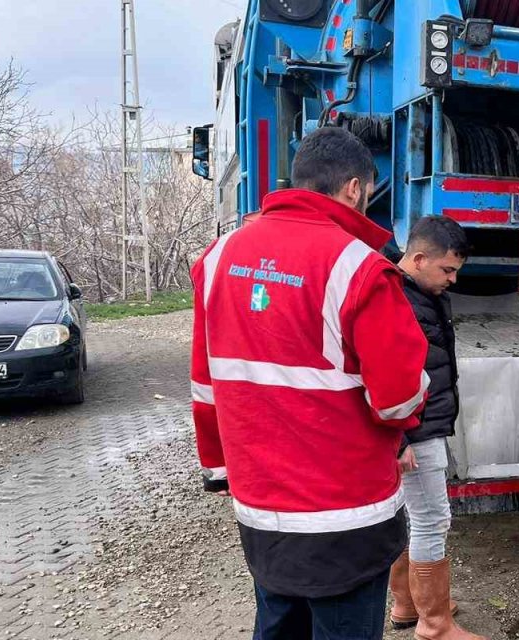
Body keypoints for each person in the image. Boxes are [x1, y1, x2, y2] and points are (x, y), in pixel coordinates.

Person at [190, 126, 429, 639]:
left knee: (277, 624)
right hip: (345, 519)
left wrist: (218, 468)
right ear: (354, 189)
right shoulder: (361, 269)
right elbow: (397, 400)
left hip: (261, 509)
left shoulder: (216, 259)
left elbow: (206, 384)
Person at [386, 216, 486, 640]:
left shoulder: (413, 291)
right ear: (419, 258)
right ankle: (435, 624)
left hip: (418, 424)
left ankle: (409, 604)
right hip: (416, 428)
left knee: (409, 515)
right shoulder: (397, 300)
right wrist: (401, 438)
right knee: (431, 518)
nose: (453, 279)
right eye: (447, 270)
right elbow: (381, 371)